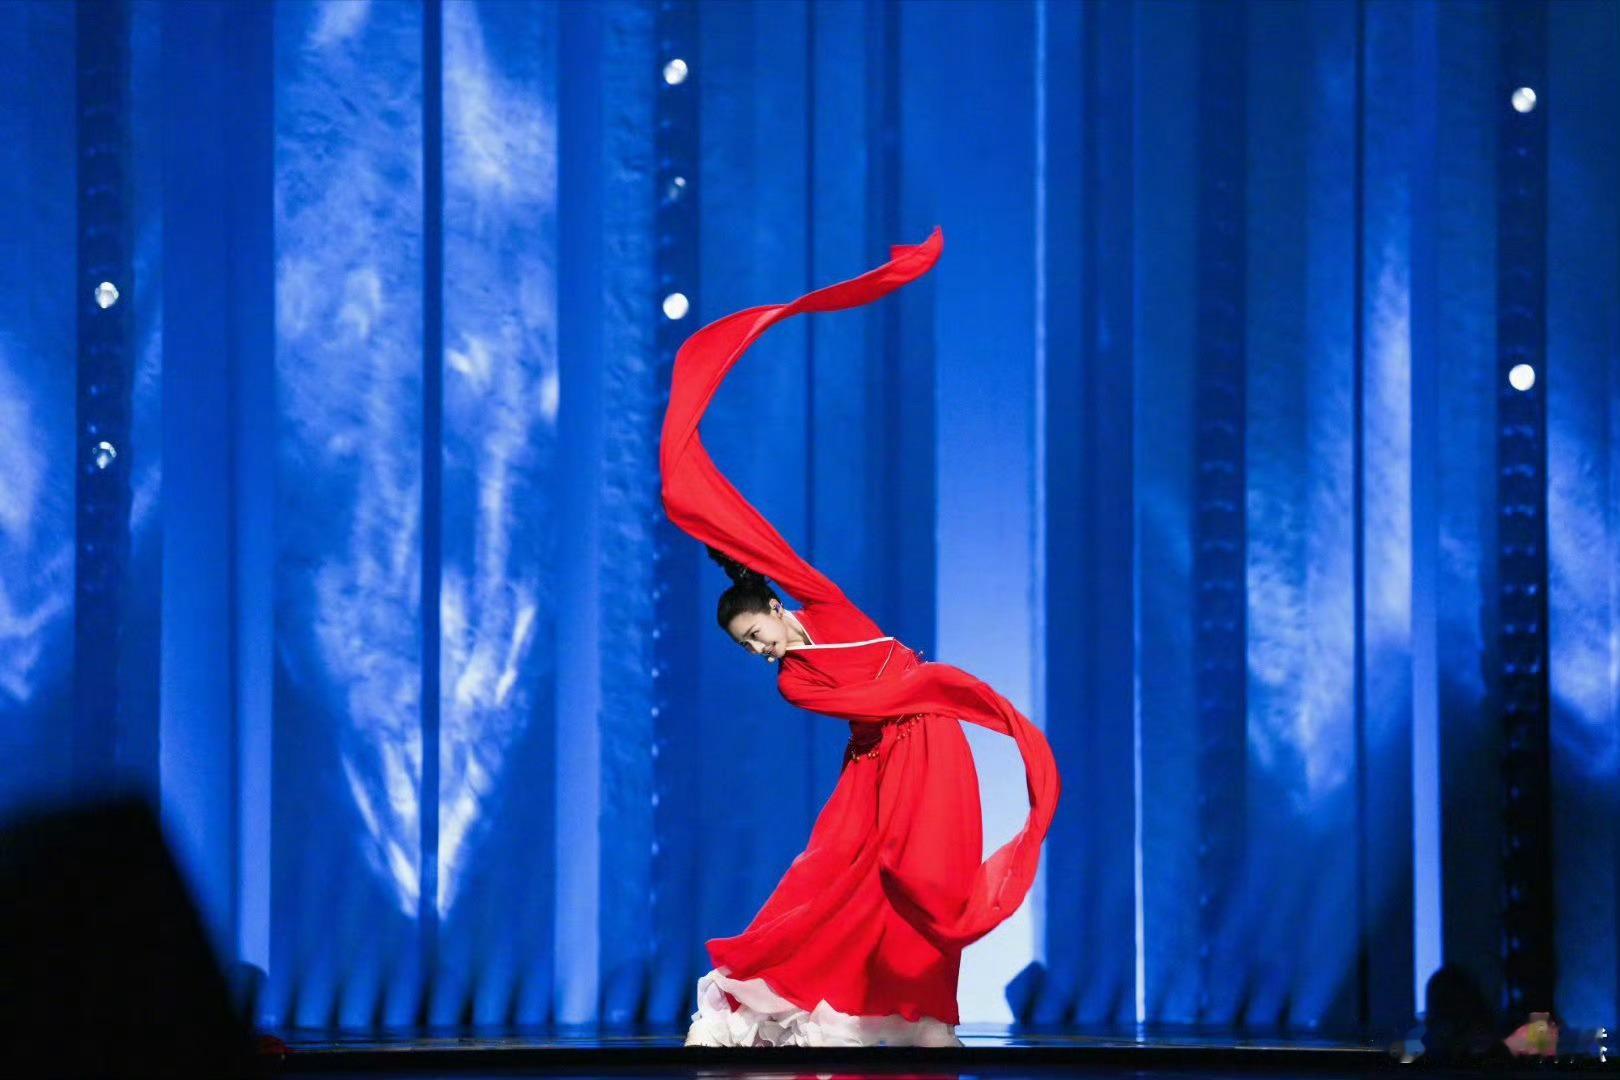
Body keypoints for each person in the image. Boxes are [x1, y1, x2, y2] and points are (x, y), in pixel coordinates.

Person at [659, 225, 1062, 1047]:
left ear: (776, 607)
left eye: (757, 631)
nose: (760, 650)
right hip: (878, 764)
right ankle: (791, 1006)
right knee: (834, 881)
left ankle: (917, 1016)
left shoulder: (824, 605)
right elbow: (872, 703)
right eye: (747, 648)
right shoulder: (797, 682)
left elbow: (758, 545)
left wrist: (695, 500)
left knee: (927, 887)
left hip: (932, 746)